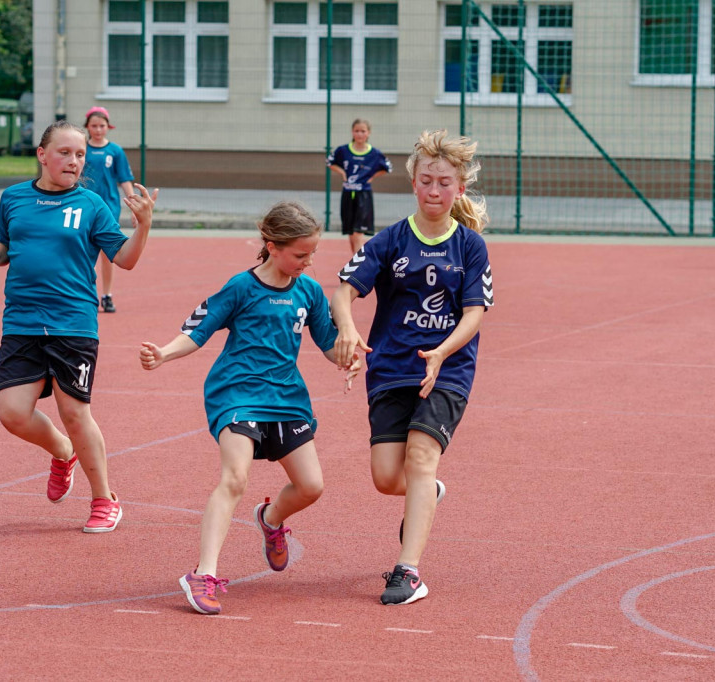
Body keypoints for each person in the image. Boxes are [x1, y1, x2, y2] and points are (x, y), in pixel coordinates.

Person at [139, 201, 359, 615]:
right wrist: (164, 354)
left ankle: (270, 519)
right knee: (234, 478)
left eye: (312, 254)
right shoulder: (241, 287)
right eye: (300, 254)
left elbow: (330, 346)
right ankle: (202, 574)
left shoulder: (309, 291)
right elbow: (198, 330)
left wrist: (349, 357)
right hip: (237, 395)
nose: (307, 262)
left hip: (287, 399)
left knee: (312, 487)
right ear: (272, 246)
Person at [0, 120, 158, 533]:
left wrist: (142, 225)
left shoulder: (92, 205)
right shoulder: (14, 197)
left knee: (74, 411)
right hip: (21, 321)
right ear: (42, 154)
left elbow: (124, 259)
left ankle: (105, 499)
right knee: (12, 413)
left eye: (80, 155)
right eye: (65, 153)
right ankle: (61, 451)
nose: (74, 161)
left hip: (73, 324)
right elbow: (5, 243)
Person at [330, 130, 494, 606]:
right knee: (387, 478)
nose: (436, 191)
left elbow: (474, 313)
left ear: (459, 188)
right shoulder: (389, 241)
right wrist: (345, 328)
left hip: (448, 371)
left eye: (445, 182)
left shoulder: (470, 247)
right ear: (414, 185)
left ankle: (408, 571)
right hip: (391, 369)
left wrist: (442, 352)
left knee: (421, 456)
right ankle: (430, 491)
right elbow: (343, 292)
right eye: (427, 181)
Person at [82, 106, 135, 313]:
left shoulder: (115, 151)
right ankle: (87, 294)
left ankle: (107, 295)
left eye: (101, 126)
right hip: (85, 206)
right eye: (94, 126)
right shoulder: (81, 149)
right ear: (87, 127)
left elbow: (124, 180)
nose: (97, 129)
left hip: (108, 207)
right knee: (82, 250)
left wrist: (134, 206)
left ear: (108, 127)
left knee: (107, 253)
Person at [327, 118, 393, 255]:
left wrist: (372, 177)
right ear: (352, 132)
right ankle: (355, 261)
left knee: (358, 233)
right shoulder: (343, 150)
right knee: (351, 233)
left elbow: (387, 168)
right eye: (357, 131)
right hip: (347, 194)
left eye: (363, 131)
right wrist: (342, 173)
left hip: (363, 195)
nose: (359, 134)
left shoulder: (374, 153)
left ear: (368, 133)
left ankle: (359, 267)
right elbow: (330, 162)